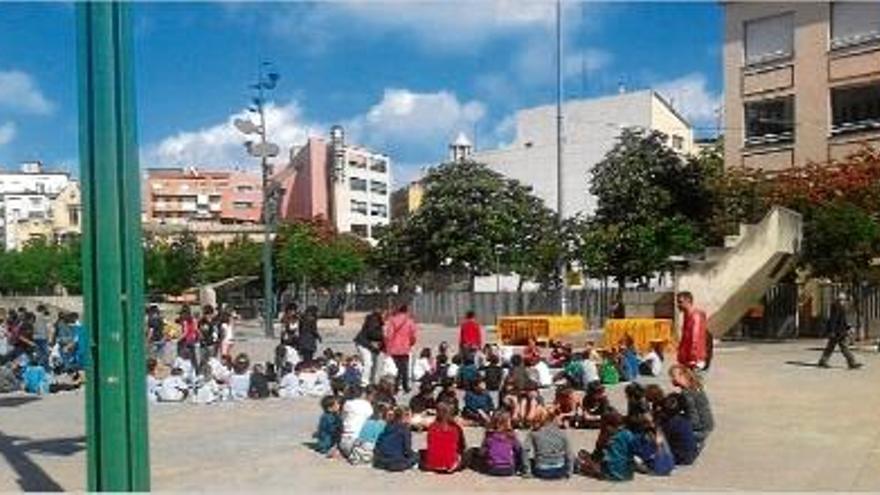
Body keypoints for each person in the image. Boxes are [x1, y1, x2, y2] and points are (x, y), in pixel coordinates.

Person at [669, 364, 714, 448]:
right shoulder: (694, 385)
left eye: (673, 376)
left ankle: (695, 444)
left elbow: (695, 419)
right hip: (708, 425)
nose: (672, 380)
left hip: (701, 429)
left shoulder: (687, 394)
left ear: (682, 375)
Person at [522, 407, 571, 479]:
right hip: (560, 471)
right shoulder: (561, 432)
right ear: (553, 418)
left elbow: (525, 449)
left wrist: (527, 471)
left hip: (542, 470)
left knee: (531, 460)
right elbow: (569, 454)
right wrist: (569, 472)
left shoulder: (534, 432)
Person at [818, 293, 862, 369]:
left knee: (831, 347)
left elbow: (843, 321)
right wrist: (832, 331)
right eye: (842, 300)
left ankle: (823, 361)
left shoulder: (841, 307)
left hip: (840, 331)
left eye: (844, 300)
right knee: (843, 348)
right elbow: (833, 320)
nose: (843, 301)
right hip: (837, 332)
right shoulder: (836, 307)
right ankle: (852, 363)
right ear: (839, 300)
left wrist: (848, 327)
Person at [475, 410, 524, 476]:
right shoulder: (511, 435)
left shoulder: (490, 436)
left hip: (493, 468)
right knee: (517, 452)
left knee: (475, 453)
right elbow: (519, 449)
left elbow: (482, 452)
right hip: (509, 469)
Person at [422, 402, 467, 473]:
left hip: (432, 465)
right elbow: (462, 446)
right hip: (450, 466)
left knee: (422, 452)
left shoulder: (432, 426)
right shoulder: (456, 428)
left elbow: (430, 443)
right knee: (469, 453)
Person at [383, 304, 418, 394]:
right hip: (405, 347)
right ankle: (405, 386)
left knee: (396, 368)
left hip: (394, 347)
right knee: (404, 368)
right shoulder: (410, 321)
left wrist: (387, 347)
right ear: (406, 311)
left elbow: (389, 335)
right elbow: (413, 335)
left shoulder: (392, 320)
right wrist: (411, 343)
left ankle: (395, 386)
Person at [658, 393, 698, 465]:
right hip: (691, 454)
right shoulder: (684, 418)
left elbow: (661, 439)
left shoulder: (671, 423)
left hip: (681, 457)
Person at [374, 406, 418, 471]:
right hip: (394, 463)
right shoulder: (404, 429)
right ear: (406, 416)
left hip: (381, 461)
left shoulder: (388, 426)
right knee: (417, 456)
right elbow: (407, 449)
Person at [339, 385, 374, 458]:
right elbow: (370, 419)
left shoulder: (347, 404)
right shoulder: (367, 405)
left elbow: (342, 418)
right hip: (357, 443)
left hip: (343, 441)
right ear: (362, 394)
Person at [676, 292, 708, 370]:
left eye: (680, 302)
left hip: (694, 360)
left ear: (688, 301)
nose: (678, 305)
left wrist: (693, 359)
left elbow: (695, 339)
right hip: (688, 360)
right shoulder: (687, 315)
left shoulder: (695, 316)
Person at [354, 309, 385, 386]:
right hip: (364, 344)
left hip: (370, 345)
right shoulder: (373, 320)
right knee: (368, 362)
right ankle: (364, 382)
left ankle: (372, 380)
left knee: (375, 363)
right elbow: (372, 333)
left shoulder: (378, 320)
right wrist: (383, 336)